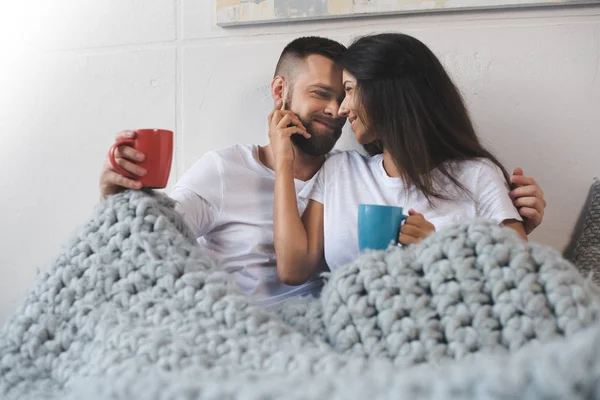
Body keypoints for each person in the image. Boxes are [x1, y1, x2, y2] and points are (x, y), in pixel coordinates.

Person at [99, 36, 546, 305]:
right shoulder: (235, 169)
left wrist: (498, 227)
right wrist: (115, 199)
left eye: (347, 92)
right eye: (324, 93)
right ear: (281, 91)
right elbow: (156, 234)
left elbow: (519, 274)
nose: (338, 109)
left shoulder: (465, 174)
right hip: (251, 327)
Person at [270, 33, 546, 286]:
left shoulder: (477, 175)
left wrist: (440, 250)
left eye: (350, 90)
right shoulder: (340, 171)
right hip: (352, 326)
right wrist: (284, 164)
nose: (342, 109)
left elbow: (522, 279)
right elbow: (294, 270)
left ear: (387, 91)